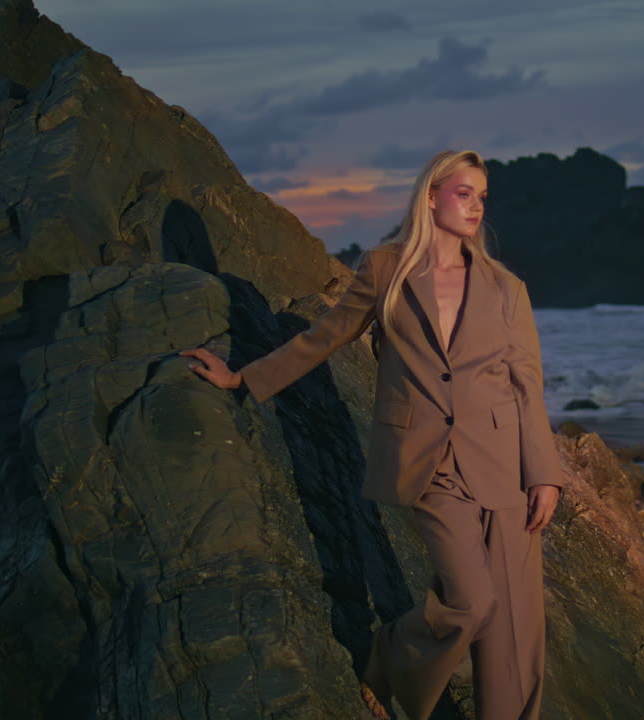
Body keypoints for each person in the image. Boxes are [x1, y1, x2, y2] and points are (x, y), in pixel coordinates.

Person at [181, 149, 563, 720]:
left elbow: (526, 386)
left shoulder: (507, 289)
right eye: (465, 193)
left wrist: (545, 476)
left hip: (504, 463)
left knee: (512, 628)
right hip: (429, 463)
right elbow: (325, 337)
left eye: (483, 196)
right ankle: (388, 656)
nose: (477, 205)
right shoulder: (385, 270)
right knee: (472, 603)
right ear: (431, 195)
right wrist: (242, 377)